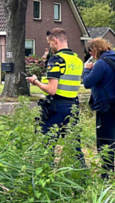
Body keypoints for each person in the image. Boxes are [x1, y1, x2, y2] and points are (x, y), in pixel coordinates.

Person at [27, 29, 84, 164]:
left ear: (55, 41)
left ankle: (45, 174)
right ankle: (82, 175)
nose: (50, 47)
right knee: (74, 145)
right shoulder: (77, 60)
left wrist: (35, 81)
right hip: (73, 106)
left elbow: (51, 89)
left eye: (50, 43)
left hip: (57, 107)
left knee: (45, 144)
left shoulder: (56, 60)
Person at [82, 37, 115, 178]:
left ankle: (107, 173)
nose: (91, 55)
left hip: (106, 107)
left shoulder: (101, 64)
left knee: (105, 141)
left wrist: (86, 70)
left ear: (95, 49)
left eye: (90, 52)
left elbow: (87, 82)